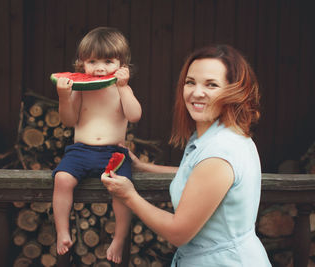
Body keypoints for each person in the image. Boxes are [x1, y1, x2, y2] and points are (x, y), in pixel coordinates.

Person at [101, 44, 272, 266]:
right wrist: (144, 167)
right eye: (190, 82)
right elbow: (197, 175)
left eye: (211, 85)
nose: (196, 92)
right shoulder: (216, 135)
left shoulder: (221, 152)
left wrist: (129, 196)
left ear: (233, 91)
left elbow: (178, 232)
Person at [52, 27, 142, 263]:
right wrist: (64, 97)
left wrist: (123, 88)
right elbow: (69, 120)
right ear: (81, 64)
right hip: (80, 151)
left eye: (108, 61)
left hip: (114, 152)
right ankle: (62, 231)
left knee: (122, 189)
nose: (100, 68)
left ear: (122, 64)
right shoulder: (81, 90)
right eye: (92, 61)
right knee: (61, 179)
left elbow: (134, 115)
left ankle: (119, 238)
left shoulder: (122, 89)